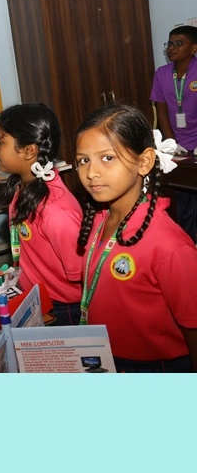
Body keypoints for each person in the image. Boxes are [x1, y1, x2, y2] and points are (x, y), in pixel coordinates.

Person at [75, 103, 197, 372]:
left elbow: (193, 327)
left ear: (144, 162)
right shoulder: (99, 219)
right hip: (107, 356)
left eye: (107, 158)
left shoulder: (169, 246)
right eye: (83, 160)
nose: (91, 173)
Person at [0, 103, 83, 325]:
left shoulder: (57, 213)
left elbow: (81, 277)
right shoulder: (23, 188)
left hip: (61, 308)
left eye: (1, 142)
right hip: (34, 296)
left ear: (29, 151)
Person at [150, 25, 197, 243]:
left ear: (194, 48)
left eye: (179, 43)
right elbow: (161, 110)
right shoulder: (161, 74)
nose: (172, 48)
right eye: (169, 43)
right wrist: (171, 141)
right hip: (178, 145)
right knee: (183, 196)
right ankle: (189, 242)